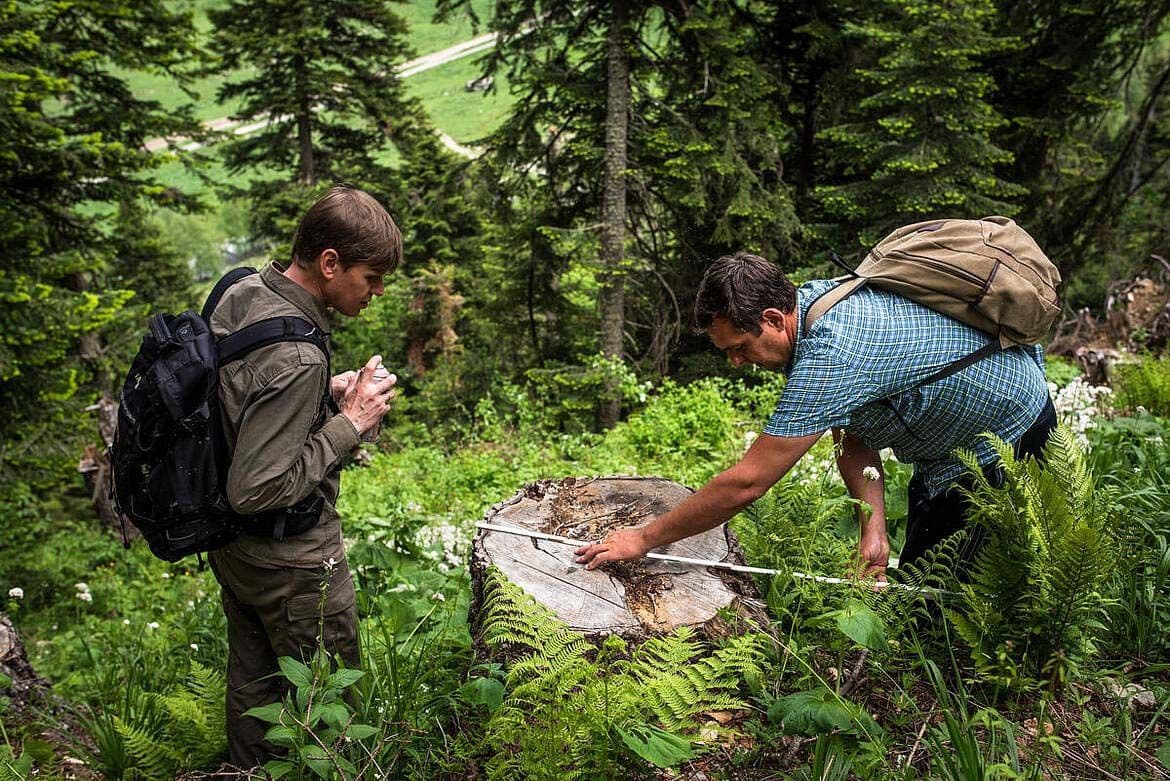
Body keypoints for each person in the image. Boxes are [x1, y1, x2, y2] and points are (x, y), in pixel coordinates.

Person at [574, 251, 1056, 582]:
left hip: (1009, 439)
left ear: (771, 319)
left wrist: (644, 538)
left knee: (941, 607)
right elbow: (852, 433)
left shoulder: (831, 353)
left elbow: (747, 482)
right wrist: (873, 526)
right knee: (919, 581)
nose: (737, 362)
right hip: (951, 451)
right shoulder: (819, 305)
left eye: (739, 348)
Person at [206, 185, 401, 770]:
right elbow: (258, 488)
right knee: (330, 699)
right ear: (330, 262)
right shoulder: (298, 355)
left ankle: (249, 771)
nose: (378, 292)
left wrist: (323, 395)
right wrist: (351, 422)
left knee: (253, 683)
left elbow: (240, 403)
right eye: (371, 278)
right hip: (288, 558)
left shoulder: (242, 291)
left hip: (233, 549)